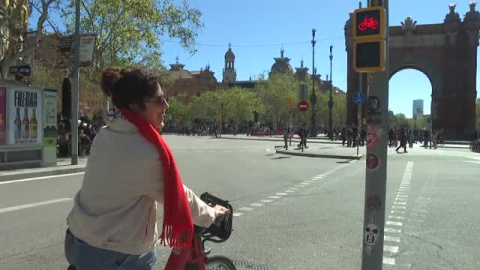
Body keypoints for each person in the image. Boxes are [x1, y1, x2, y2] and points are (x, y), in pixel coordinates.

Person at [64, 68, 230, 270]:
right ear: (135, 105)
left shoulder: (106, 133)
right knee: (147, 254)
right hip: (112, 255)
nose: (166, 105)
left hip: (78, 240)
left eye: (166, 98)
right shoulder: (144, 151)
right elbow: (178, 196)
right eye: (159, 100)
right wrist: (211, 214)